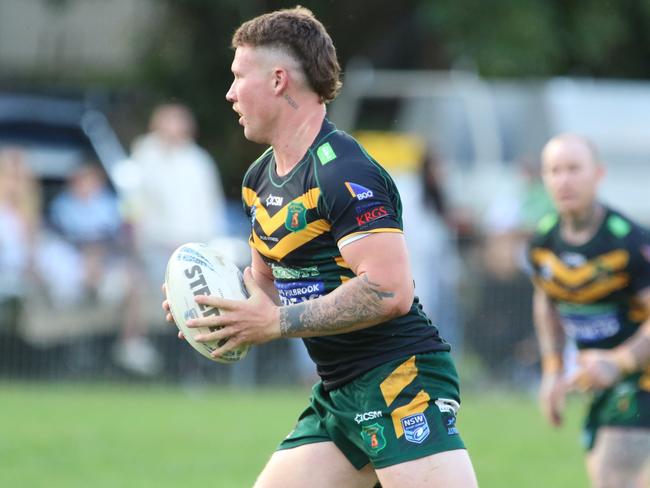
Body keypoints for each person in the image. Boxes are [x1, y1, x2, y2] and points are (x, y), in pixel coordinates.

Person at [163, 7, 477, 487]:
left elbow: (390, 290)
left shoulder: (343, 172)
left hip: (400, 378)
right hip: (340, 391)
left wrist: (275, 323)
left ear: (277, 80)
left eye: (238, 76)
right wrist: (216, 312)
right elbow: (265, 289)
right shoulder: (258, 180)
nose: (229, 93)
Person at [528, 134, 650, 487]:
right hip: (600, 381)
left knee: (614, 479)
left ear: (598, 173)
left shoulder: (628, 241)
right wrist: (552, 370)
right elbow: (546, 300)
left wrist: (620, 361)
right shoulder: (542, 241)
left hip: (640, 377)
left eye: (574, 169)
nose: (564, 180)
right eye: (554, 171)